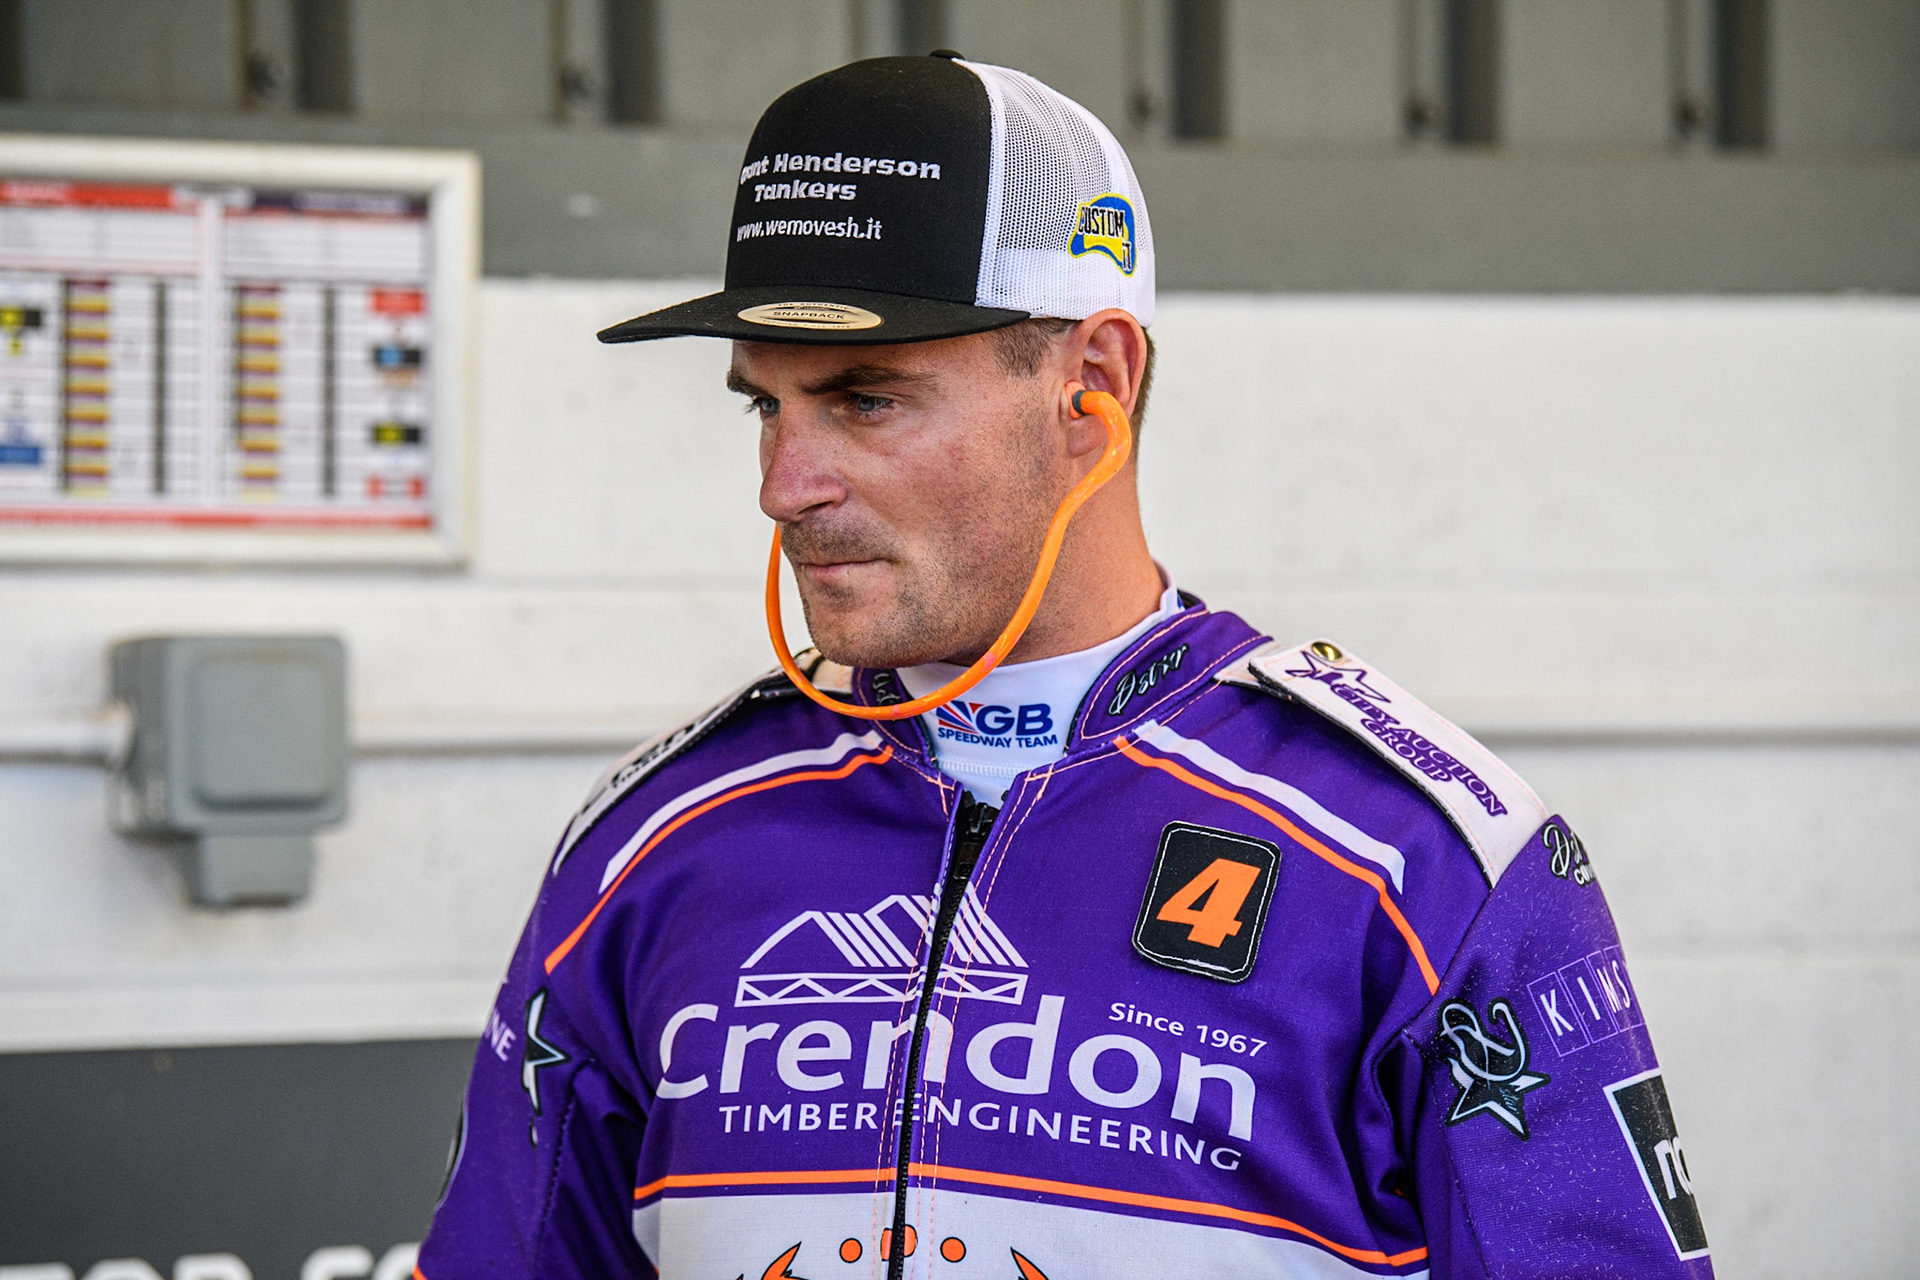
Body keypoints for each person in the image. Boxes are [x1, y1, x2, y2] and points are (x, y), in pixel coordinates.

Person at [417, 54, 1712, 1280]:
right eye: (769, 404)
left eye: (864, 399)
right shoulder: (653, 845)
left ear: (1092, 385)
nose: (785, 486)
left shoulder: (1423, 866)